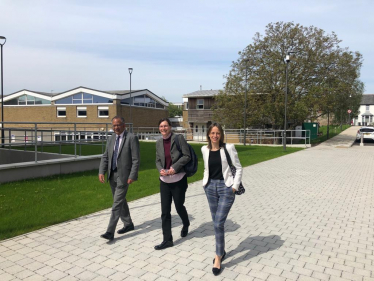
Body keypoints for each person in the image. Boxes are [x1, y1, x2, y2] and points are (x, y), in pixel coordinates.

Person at [201, 122, 242, 276]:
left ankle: (218, 256)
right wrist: (205, 184)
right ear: (208, 135)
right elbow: (206, 168)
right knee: (217, 224)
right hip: (210, 187)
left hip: (226, 188)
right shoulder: (204, 149)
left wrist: (234, 187)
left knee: (218, 222)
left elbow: (238, 167)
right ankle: (222, 251)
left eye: (217, 133)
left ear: (221, 134)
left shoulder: (228, 148)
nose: (215, 136)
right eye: (212, 133)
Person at [98, 116, 140, 241]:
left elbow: (136, 159)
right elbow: (106, 156)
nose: (116, 127)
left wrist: (132, 175)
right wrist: (102, 171)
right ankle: (128, 224)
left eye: (118, 125)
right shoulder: (111, 139)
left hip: (124, 176)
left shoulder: (131, 138)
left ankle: (110, 232)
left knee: (116, 204)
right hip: (112, 175)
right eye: (114, 125)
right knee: (121, 201)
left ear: (124, 125)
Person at [154, 118, 191, 250]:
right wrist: (161, 170)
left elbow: (187, 156)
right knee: (165, 211)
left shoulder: (178, 138)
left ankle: (186, 223)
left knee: (179, 206)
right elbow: (157, 160)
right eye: (161, 126)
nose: (163, 128)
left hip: (178, 179)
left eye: (165, 126)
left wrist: (174, 167)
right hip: (164, 181)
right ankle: (167, 239)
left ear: (170, 127)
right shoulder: (158, 142)